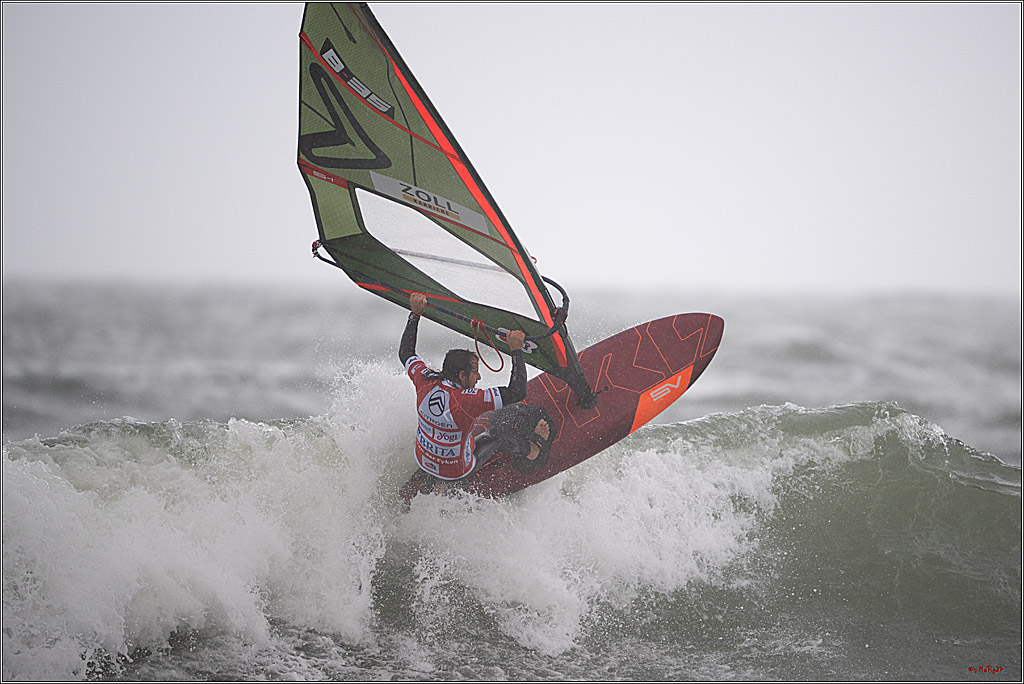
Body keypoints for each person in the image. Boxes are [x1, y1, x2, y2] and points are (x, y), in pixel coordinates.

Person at [400, 293, 551, 487]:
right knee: (496, 434)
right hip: (458, 471)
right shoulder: (467, 401)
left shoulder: (425, 380)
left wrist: (415, 314)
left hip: (424, 461)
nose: (479, 377)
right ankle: (533, 450)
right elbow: (517, 392)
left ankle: (434, 478)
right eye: (475, 372)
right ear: (462, 375)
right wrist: (516, 350)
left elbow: (406, 353)